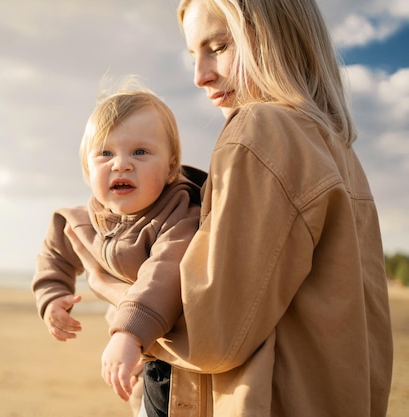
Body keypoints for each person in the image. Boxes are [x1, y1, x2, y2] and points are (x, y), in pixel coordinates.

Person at [72, 0, 394, 416]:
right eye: (194, 55)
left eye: (219, 47)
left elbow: (215, 333)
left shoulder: (260, 130)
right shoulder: (335, 145)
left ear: (276, 37)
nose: (200, 76)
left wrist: (110, 286)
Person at [31, 81, 207, 416]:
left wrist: (127, 333)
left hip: (173, 356)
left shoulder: (180, 214)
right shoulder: (86, 221)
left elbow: (165, 273)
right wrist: (52, 297)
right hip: (137, 355)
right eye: (105, 153)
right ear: (87, 169)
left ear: (171, 167)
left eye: (140, 152)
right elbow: (55, 254)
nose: (121, 164)